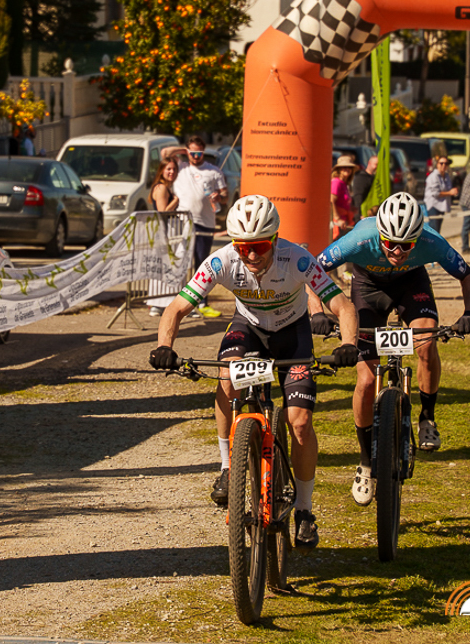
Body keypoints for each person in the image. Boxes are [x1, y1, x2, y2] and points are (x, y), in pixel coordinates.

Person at [149, 195, 359, 548]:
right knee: (226, 379)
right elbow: (176, 309)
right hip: (248, 329)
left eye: (259, 246)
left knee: (300, 422)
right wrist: (164, 346)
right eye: (242, 247)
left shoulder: (297, 259)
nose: (250, 255)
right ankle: (227, 467)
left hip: (292, 335)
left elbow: (343, 305)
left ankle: (305, 510)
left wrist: (349, 343)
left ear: (274, 239)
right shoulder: (222, 260)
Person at [309, 192, 470, 506]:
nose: (398, 252)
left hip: (410, 284)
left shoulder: (431, 241)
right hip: (368, 287)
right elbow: (312, 272)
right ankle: (365, 461)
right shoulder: (359, 239)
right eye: (390, 244)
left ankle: (427, 418)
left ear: (418, 238)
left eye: (407, 245)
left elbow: (468, 276)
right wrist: (317, 312)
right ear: (380, 236)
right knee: (366, 379)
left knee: (426, 342)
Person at [174, 136, 227, 319]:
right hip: (183, 221)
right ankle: (177, 302)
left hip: (205, 223)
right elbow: (165, 153)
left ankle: (202, 302)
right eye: (192, 153)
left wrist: (219, 197)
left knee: (202, 264)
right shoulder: (181, 167)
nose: (196, 157)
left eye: (199, 153)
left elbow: (225, 195)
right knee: (180, 262)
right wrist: (183, 151)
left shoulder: (213, 171)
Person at [146, 153, 182, 317]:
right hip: (164, 232)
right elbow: (163, 212)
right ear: (161, 170)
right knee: (162, 266)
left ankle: (168, 302)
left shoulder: (167, 188)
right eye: (168, 169)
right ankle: (157, 303)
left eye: (174, 169)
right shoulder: (161, 188)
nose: (171, 172)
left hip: (169, 232)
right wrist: (175, 201)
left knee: (170, 266)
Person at [424, 154, 458, 235]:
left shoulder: (446, 176)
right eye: (441, 163)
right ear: (437, 164)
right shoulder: (433, 176)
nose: (443, 165)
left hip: (442, 205)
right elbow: (435, 193)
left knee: (438, 231)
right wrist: (450, 193)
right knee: (433, 231)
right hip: (433, 205)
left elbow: (448, 189)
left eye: (446, 163)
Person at [330, 154, 358, 240]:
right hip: (337, 224)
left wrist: (351, 209)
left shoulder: (344, 183)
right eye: (344, 167)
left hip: (343, 223)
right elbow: (331, 201)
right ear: (339, 169)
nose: (347, 169)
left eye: (349, 167)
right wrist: (337, 218)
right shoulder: (336, 182)